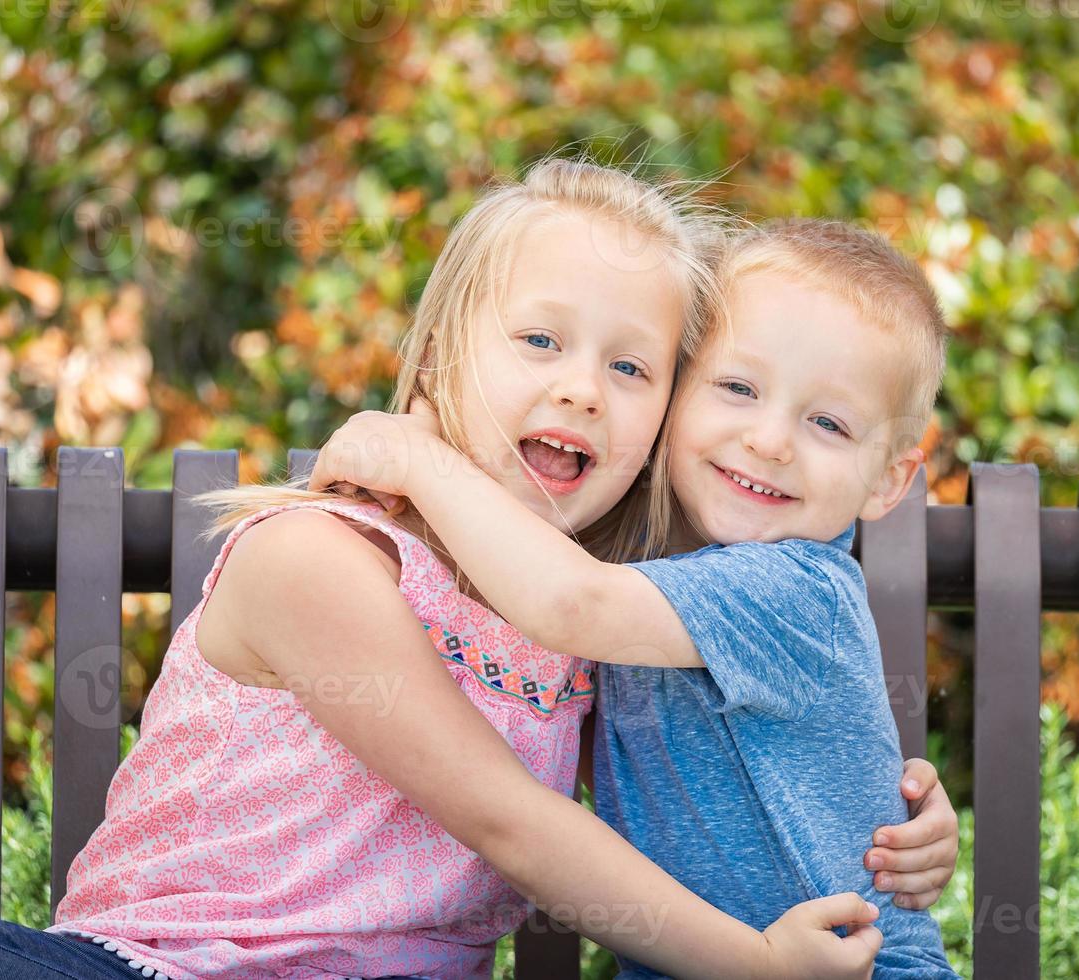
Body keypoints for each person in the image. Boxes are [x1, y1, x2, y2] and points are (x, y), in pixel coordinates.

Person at [0, 158, 951, 980]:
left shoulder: (587, 622)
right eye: (539, 339)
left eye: (632, 368)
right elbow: (509, 818)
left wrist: (892, 806)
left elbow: (746, 747)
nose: (581, 386)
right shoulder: (317, 558)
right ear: (437, 355)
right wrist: (753, 962)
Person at [308, 217, 963, 977]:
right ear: (673, 396)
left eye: (827, 423)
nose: (771, 440)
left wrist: (417, 459)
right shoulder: (652, 582)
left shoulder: (793, 590)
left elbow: (569, 605)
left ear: (889, 478)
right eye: (738, 388)